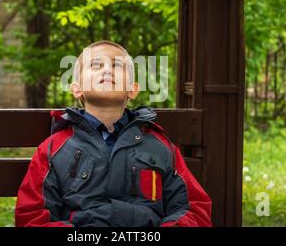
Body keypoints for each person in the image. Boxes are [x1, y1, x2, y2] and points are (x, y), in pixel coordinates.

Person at [15, 40, 212, 227]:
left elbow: (193, 209)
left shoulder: (159, 145)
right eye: (96, 65)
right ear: (77, 89)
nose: (107, 70)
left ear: (132, 90)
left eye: (117, 65)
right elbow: (33, 216)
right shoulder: (54, 148)